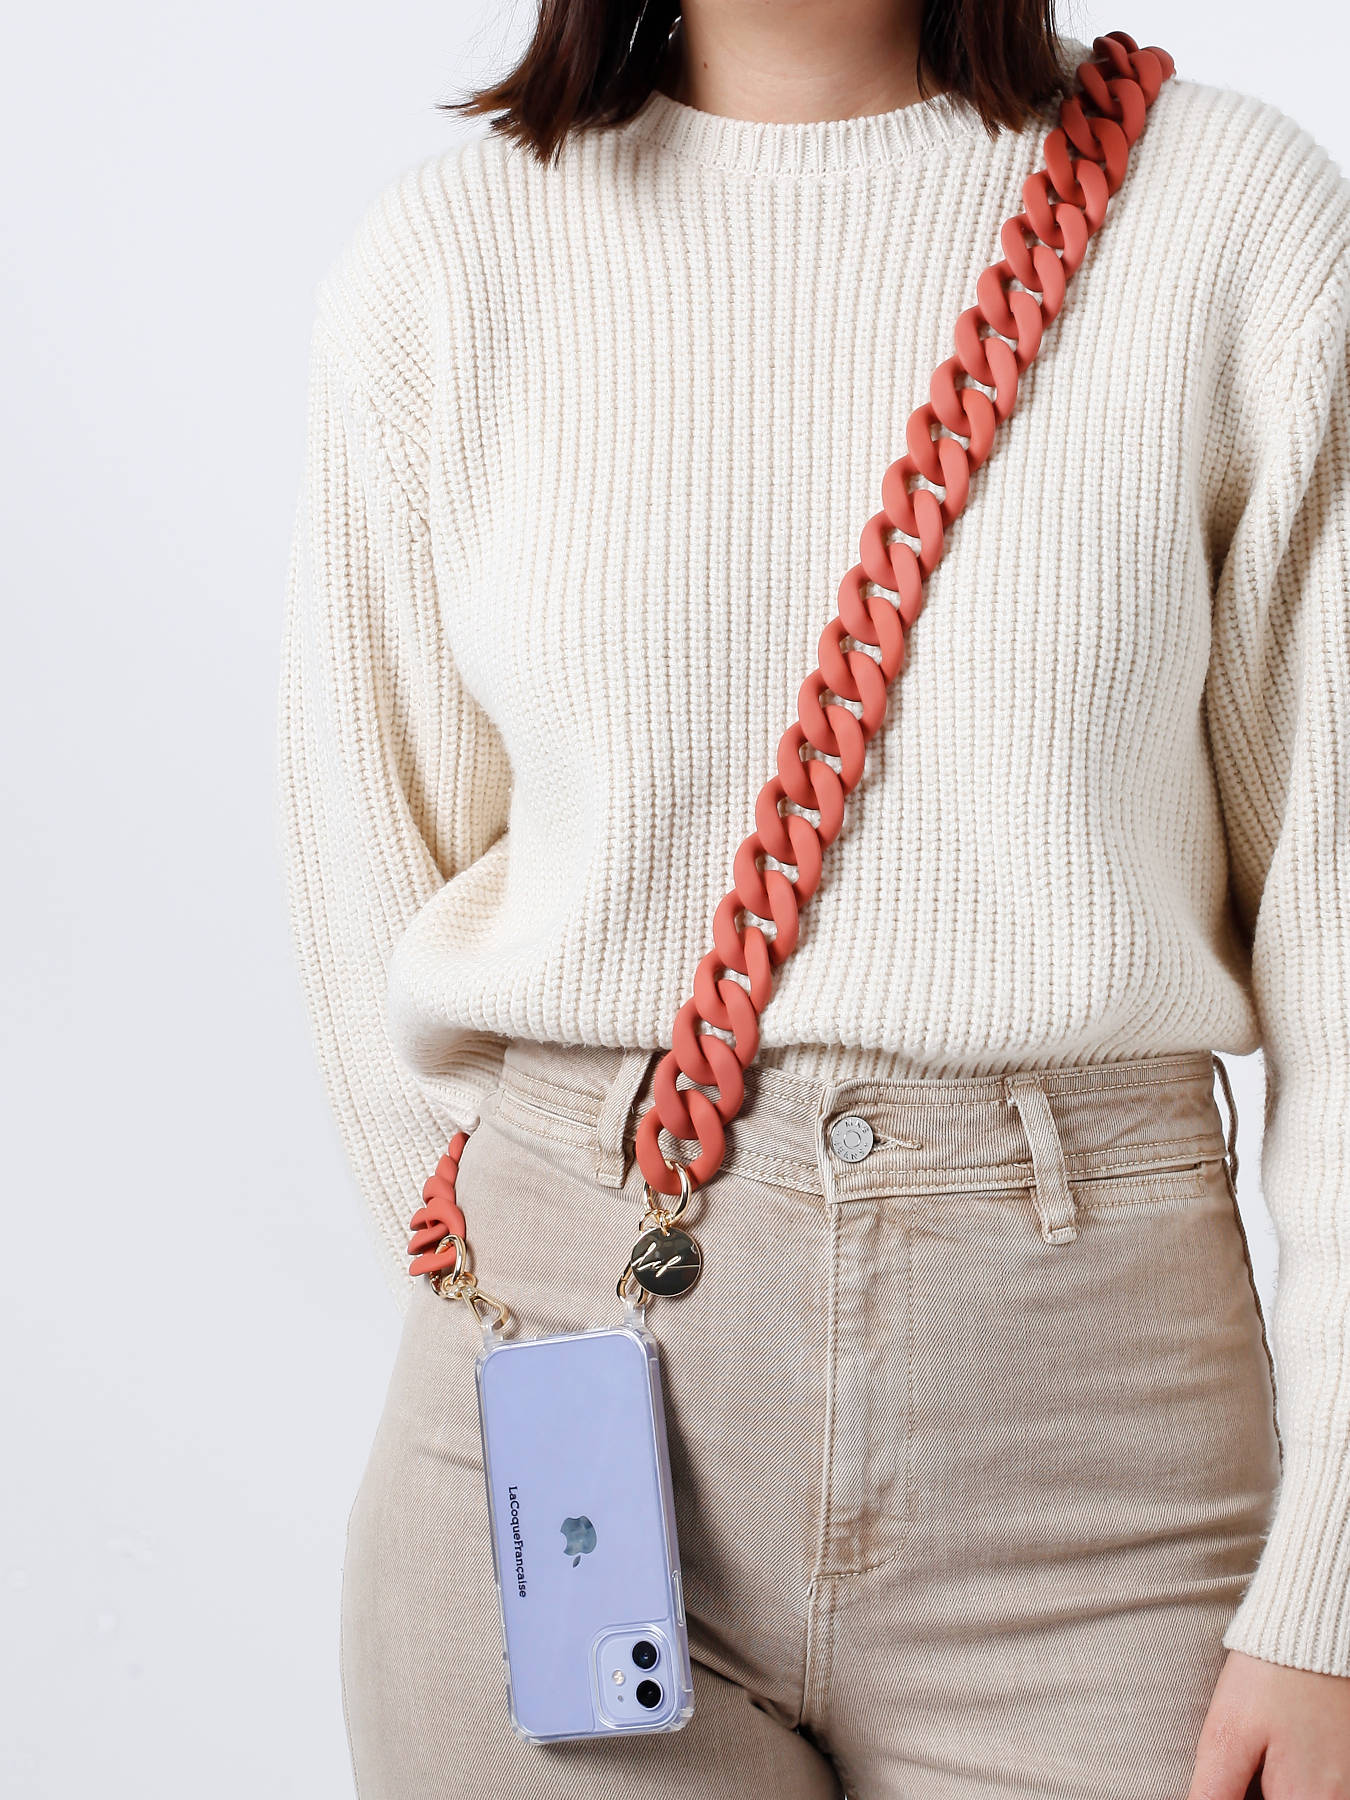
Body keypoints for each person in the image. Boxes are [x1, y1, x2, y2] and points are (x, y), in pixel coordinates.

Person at [277, 2, 1350, 1793]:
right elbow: (364, 870)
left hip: (1104, 1471)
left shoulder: (1225, 216)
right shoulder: (450, 261)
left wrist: (1329, 1582)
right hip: (554, 1413)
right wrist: (541, 1304)